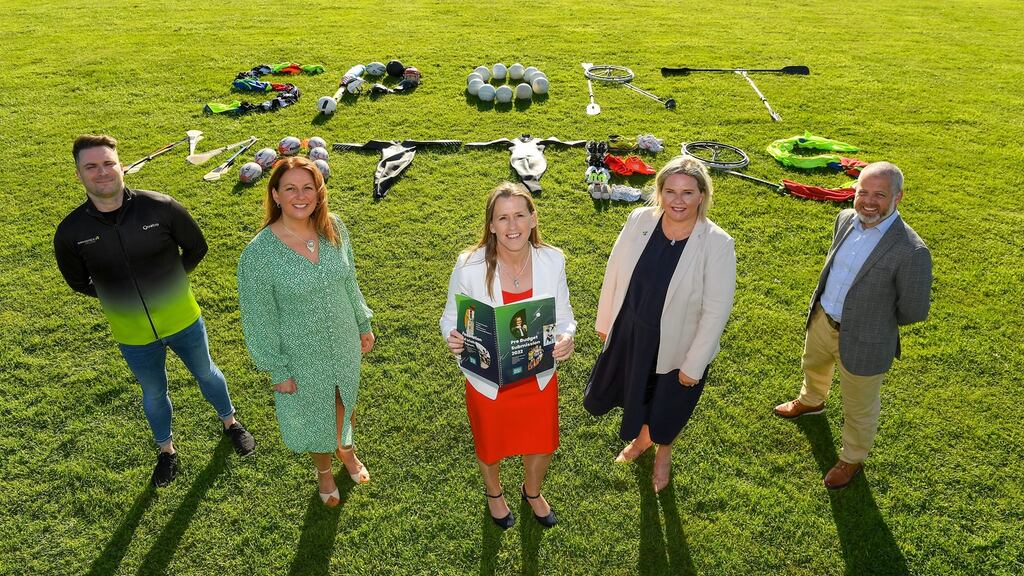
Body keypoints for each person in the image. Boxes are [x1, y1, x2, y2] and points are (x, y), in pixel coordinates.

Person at [54, 134, 256, 489]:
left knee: (207, 373)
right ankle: (167, 451)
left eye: (108, 163)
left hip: (182, 319)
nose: (102, 172)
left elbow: (196, 248)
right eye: (91, 167)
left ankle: (231, 423)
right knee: (153, 393)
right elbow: (78, 282)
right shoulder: (71, 232)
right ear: (79, 175)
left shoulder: (160, 207)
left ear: (120, 166)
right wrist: (119, 297)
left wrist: (169, 285)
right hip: (131, 333)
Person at [773, 161, 932, 490]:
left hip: (867, 340)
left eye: (880, 195)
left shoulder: (911, 251)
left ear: (898, 197)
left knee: (859, 407)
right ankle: (812, 401)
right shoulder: (845, 219)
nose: (869, 201)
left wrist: (874, 321)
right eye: (863, 192)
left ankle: (852, 458)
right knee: (813, 365)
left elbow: (914, 310)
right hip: (822, 319)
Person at [584, 155, 736, 493]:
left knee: (670, 402)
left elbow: (716, 309)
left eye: (687, 193)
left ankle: (662, 450)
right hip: (634, 329)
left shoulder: (717, 244)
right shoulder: (640, 219)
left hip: (681, 343)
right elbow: (615, 269)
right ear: (659, 192)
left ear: (702, 195)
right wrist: (607, 319)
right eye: (670, 191)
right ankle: (642, 441)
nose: (677, 201)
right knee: (639, 391)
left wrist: (694, 363)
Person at [237, 157, 375, 507]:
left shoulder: (335, 228)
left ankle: (347, 450)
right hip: (301, 351)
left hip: (344, 337)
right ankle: (324, 473)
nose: (300, 196)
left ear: (319, 193)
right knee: (317, 413)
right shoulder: (258, 255)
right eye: (290, 189)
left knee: (346, 399)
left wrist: (362, 323)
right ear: (275, 195)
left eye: (307, 188)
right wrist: (277, 368)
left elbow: (350, 281)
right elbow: (258, 318)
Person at [441, 182, 576, 530]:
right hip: (489, 380)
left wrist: (566, 338)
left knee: (541, 442)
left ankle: (532, 491)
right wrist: (454, 338)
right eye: (502, 218)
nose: (512, 226)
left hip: (537, 375)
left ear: (533, 219)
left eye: (519, 215)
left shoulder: (553, 259)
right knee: (490, 443)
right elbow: (448, 320)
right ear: (491, 225)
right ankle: (494, 493)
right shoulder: (469, 265)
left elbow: (564, 316)